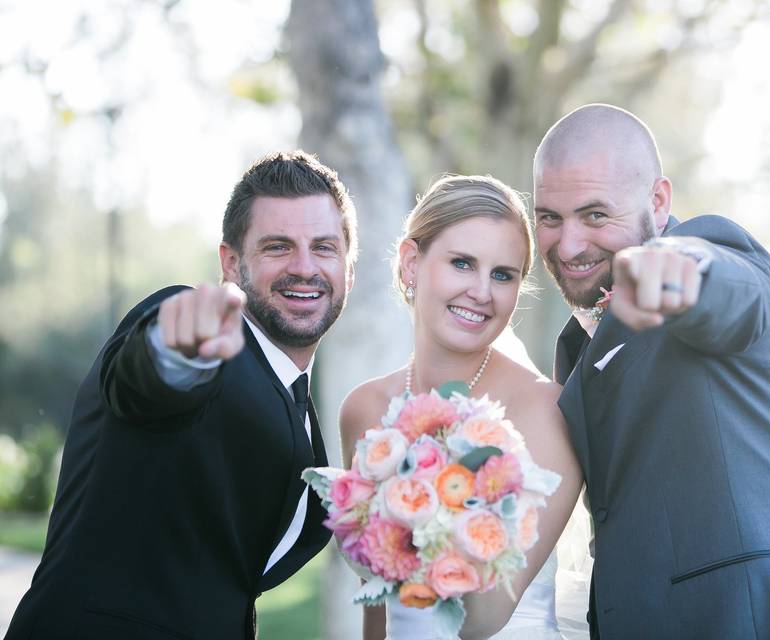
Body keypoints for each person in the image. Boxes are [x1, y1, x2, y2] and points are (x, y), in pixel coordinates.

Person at [532, 104, 770, 639]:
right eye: (549, 217)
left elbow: (729, 292)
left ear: (658, 202)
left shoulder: (717, 253)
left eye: (595, 215)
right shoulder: (573, 347)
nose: (568, 245)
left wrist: (672, 270)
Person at [6, 150, 354, 639]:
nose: (304, 267)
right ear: (231, 265)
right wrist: (178, 355)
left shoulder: (300, 408)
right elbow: (141, 381)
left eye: (323, 247)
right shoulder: (196, 336)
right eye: (278, 246)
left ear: (348, 269)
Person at [338, 175, 585, 640]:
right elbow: (374, 603)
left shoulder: (544, 411)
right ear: (411, 263)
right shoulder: (363, 410)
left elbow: (484, 619)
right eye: (462, 263)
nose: (481, 292)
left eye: (502, 274)